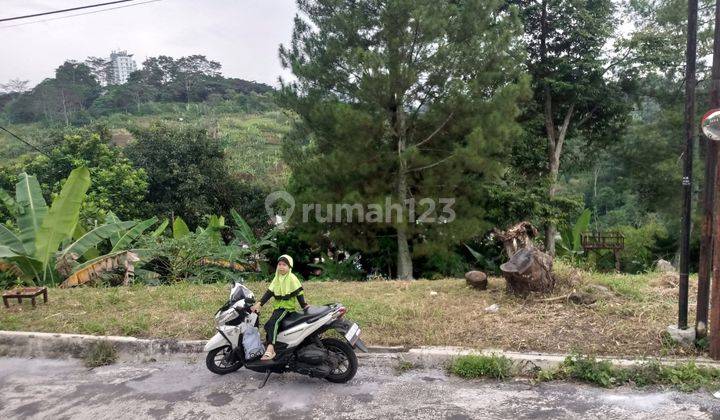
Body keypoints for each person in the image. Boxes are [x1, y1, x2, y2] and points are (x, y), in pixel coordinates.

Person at [251, 254, 308, 360]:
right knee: (268, 325)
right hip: (278, 308)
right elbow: (269, 292)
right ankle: (277, 347)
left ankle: (271, 349)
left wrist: (304, 306)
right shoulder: (277, 278)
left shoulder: (292, 278)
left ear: (289, 266)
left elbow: (299, 293)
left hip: (287, 309)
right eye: (280, 264)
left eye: (284, 265)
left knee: (273, 322)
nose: (281, 267)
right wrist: (259, 303)